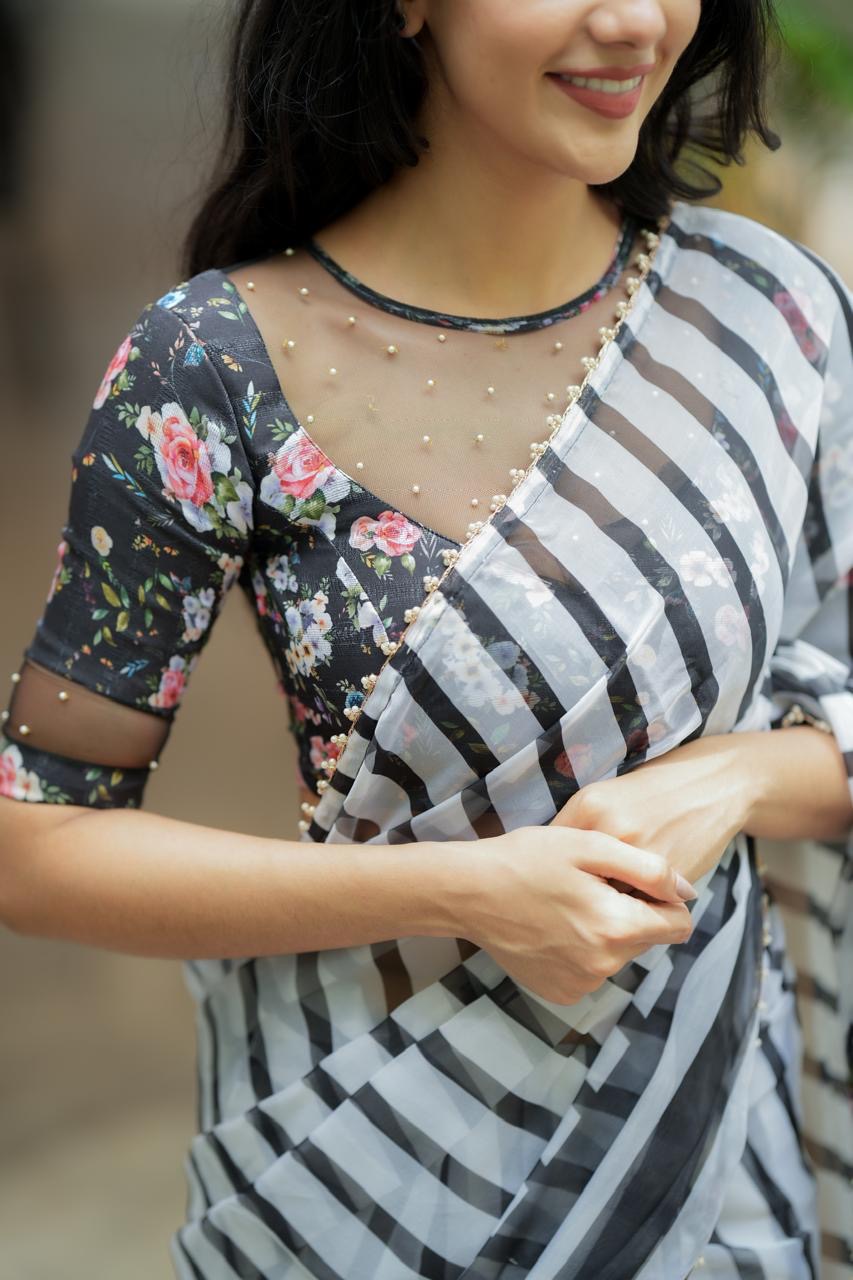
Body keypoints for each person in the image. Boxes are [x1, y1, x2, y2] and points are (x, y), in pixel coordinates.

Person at [1, 0, 851, 1275]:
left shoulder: (768, 317)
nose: (632, 20)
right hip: (362, 1186)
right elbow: (35, 843)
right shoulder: (213, 365)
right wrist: (457, 889)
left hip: (708, 1176)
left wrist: (729, 776)